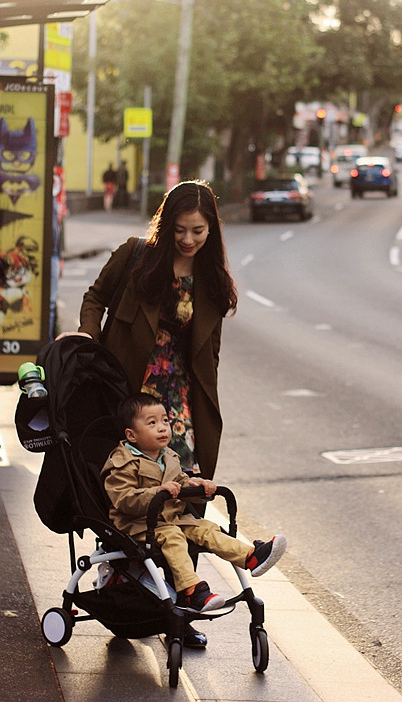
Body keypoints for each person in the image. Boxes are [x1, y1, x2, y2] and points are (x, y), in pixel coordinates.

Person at [58, 179, 236, 480]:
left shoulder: (212, 278)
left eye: (198, 231)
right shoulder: (136, 255)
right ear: (167, 225)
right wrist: (89, 334)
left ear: (211, 230)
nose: (188, 239)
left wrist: (204, 403)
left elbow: (211, 353)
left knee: (182, 481)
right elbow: (96, 297)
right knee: (127, 480)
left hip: (180, 400)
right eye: (179, 229)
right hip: (126, 389)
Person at [102, 392, 286, 612]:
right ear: (132, 436)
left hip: (171, 518)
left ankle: (251, 557)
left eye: (165, 421)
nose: (162, 428)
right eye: (152, 423)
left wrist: (199, 488)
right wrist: (157, 491)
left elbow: (181, 481)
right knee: (173, 537)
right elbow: (123, 500)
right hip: (139, 524)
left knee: (206, 529)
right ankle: (190, 591)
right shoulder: (123, 463)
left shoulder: (168, 456)